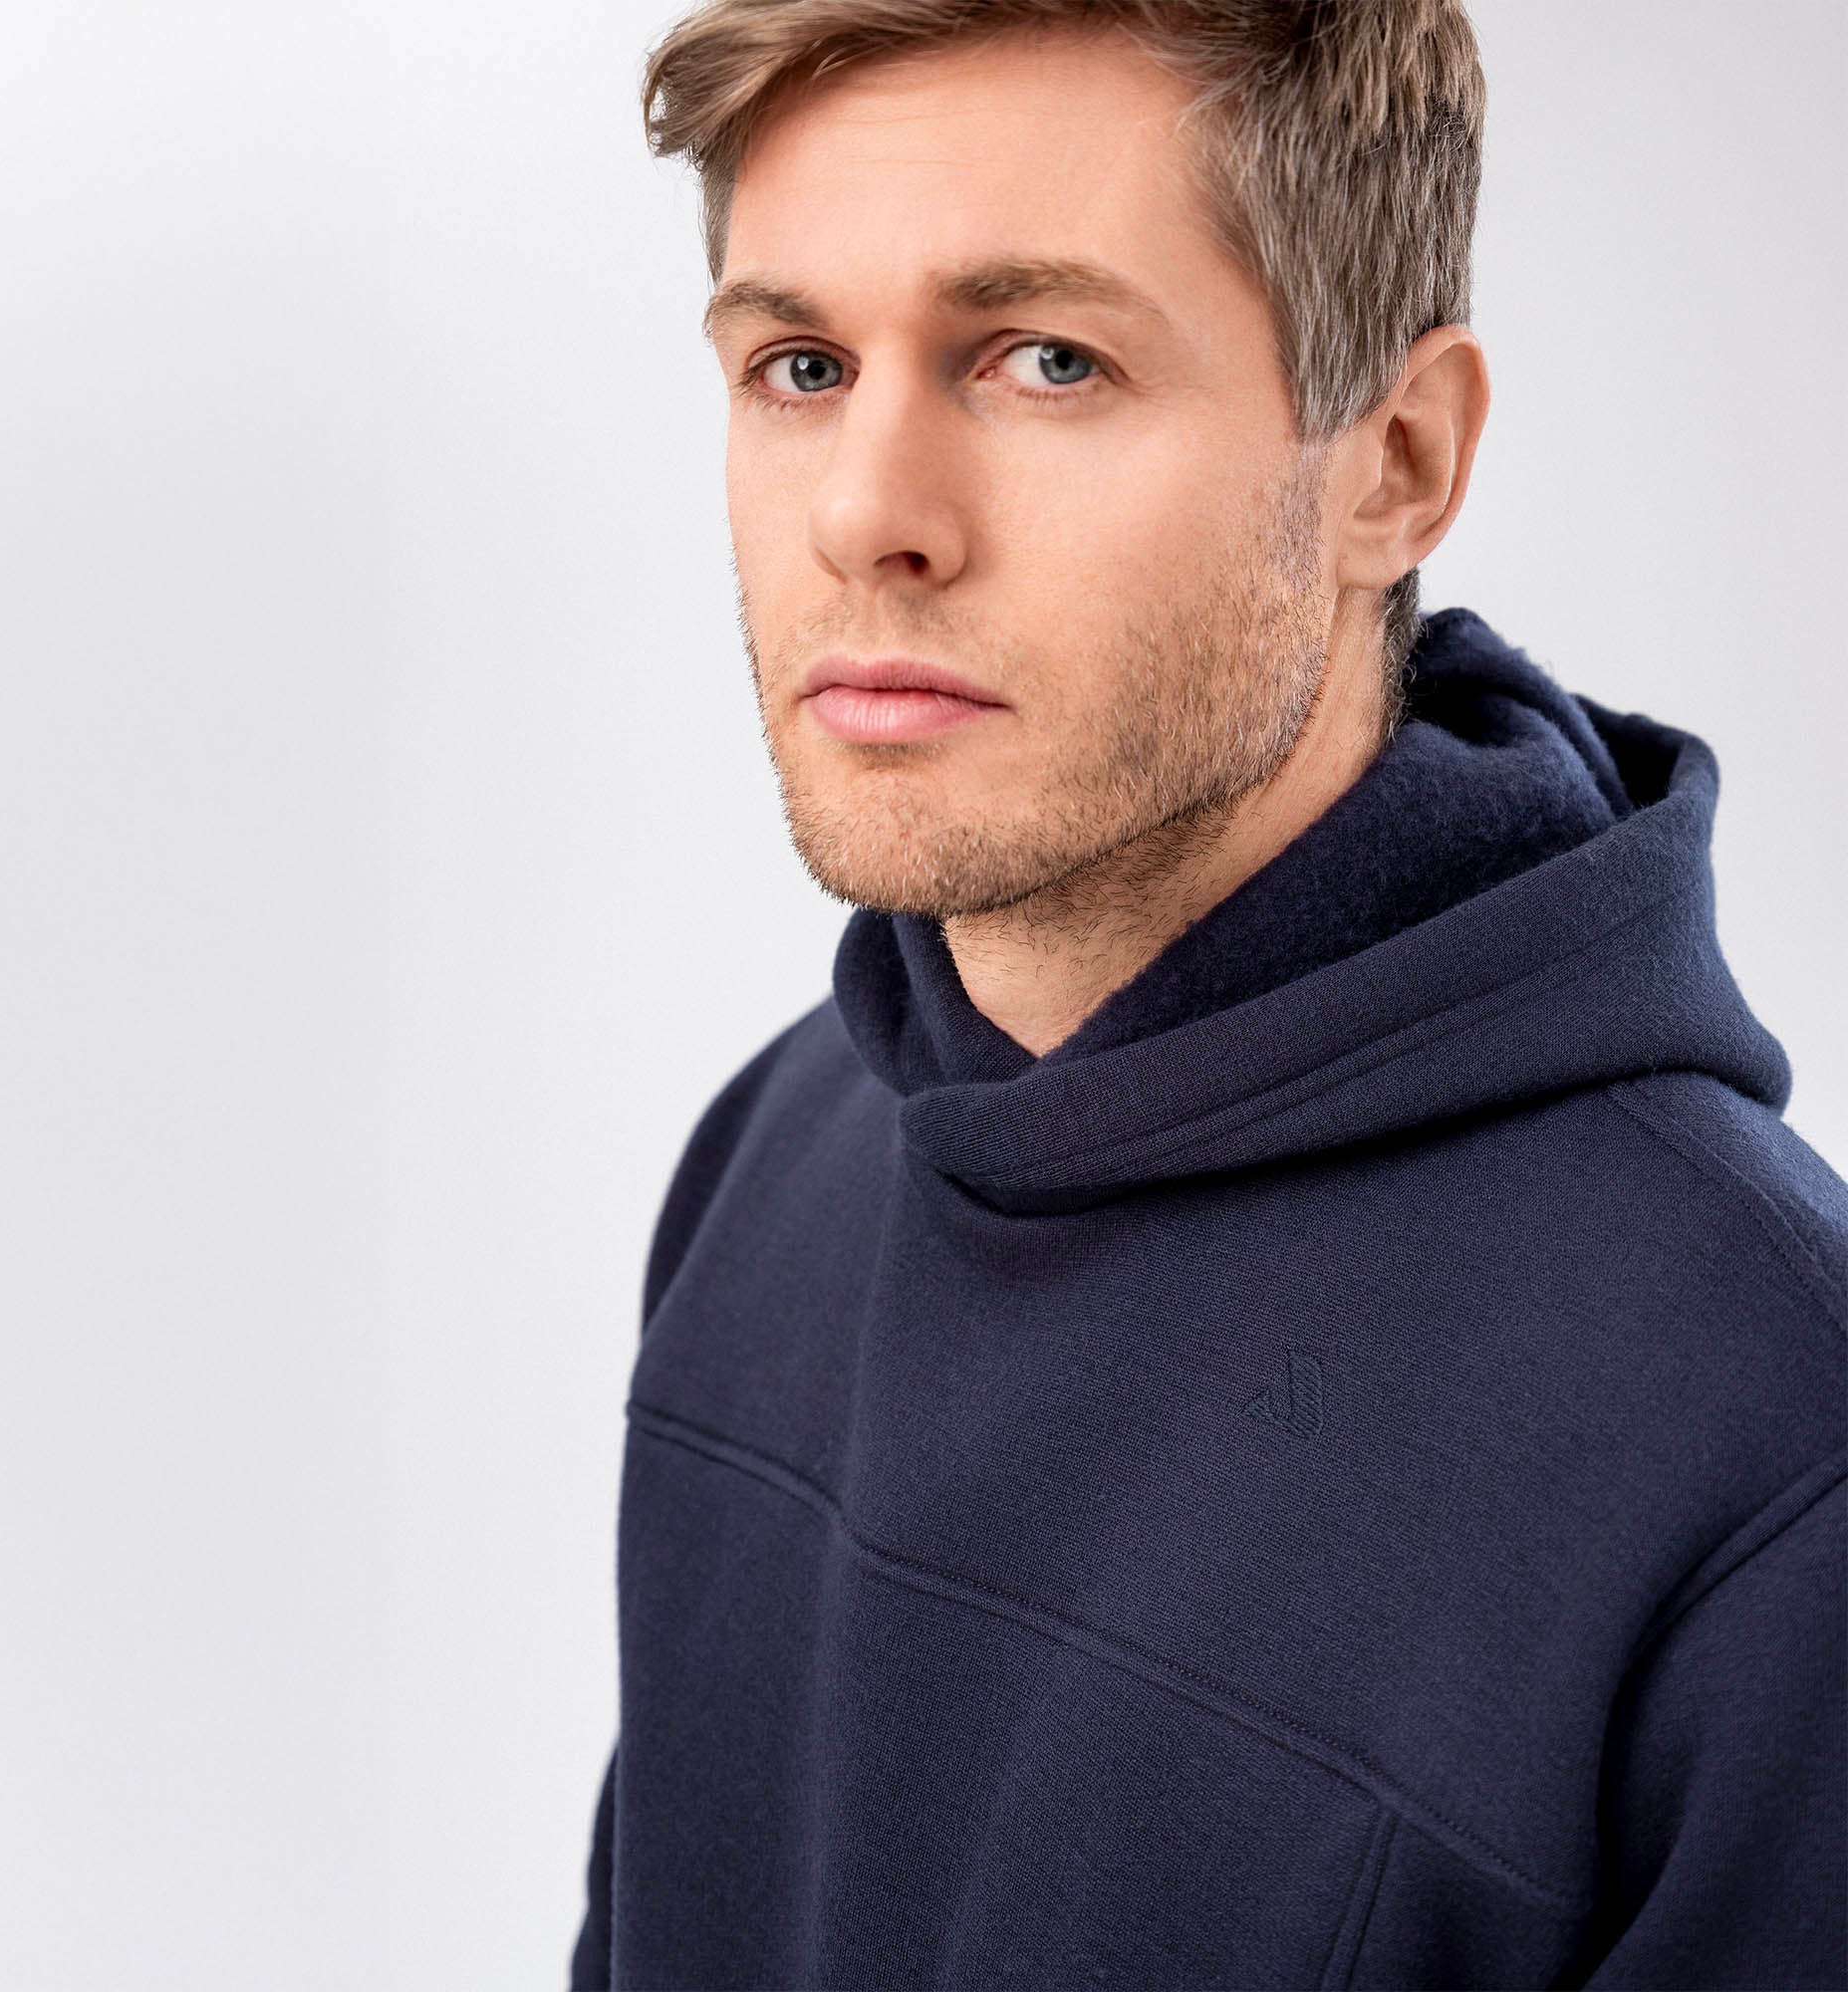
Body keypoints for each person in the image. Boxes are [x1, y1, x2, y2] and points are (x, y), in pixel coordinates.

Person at [571, 3, 1847, 1985]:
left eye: (1045, 357)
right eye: (799, 364)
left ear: (1395, 465)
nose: (864, 513)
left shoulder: (1770, 1433)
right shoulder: (785, 1148)